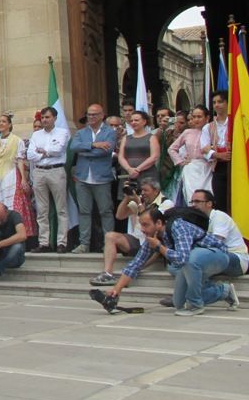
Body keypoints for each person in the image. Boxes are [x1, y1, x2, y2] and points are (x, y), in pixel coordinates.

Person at [107, 206, 238, 315]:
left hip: (218, 255)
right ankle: (225, 292)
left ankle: (196, 306)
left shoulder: (178, 227)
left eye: (146, 225)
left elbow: (182, 258)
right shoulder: (153, 236)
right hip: (193, 262)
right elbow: (136, 263)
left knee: (190, 259)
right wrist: (116, 290)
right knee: (178, 302)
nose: (142, 229)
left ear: (158, 223)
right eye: (141, 225)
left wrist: (159, 247)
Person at [89, 178, 173, 286]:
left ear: (156, 190)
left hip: (153, 243)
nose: (143, 193)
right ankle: (107, 273)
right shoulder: (141, 201)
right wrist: (127, 198)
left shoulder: (167, 203)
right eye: (141, 190)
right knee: (110, 236)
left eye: (146, 190)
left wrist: (138, 202)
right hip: (137, 240)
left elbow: (150, 221)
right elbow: (119, 215)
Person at [69, 103, 117, 253]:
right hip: (83, 178)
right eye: (89, 114)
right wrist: (94, 144)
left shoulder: (110, 132)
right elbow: (74, 147)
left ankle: (108, 243)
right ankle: (84, 244)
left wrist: (86, 150)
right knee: (84, 211)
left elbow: (105, 152)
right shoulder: (81, 132)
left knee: (105, 211)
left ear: (102, 115)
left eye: (94, 114)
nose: (91, 117)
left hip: (101, 178)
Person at [0, 114, 36, 240]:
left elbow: (20, 160)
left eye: (3, 121)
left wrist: (23, 178)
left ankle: (14, 233)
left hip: (11, 174)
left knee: (11, 204)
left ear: (9, 124)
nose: (0, 124)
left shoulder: (17, 140)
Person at [26, 106, 70, 253]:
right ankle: (44, 242)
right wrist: (45, 153)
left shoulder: (63, 132)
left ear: (55, 118)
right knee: (42, 209)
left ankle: (61, 242)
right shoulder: (36, 135)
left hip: (56, 170)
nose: (44, 120)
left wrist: (43, 151)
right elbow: (30, 155)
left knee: (61, 209)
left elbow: (59, 150)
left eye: (47, 117)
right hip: (39, 172)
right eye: (43, 118)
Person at [168, 105, 214, 202]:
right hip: (191, 168)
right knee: (192, 197)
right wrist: (180, 161)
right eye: (194, 117)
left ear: (207, 118)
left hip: (207, 168)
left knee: (208, 196)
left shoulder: (212, 131)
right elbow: (172, 149)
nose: (196, 120)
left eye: (199, 117)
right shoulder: (187, 132)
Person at [202, 92, 231, 213]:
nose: (216, 105)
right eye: (214, 102)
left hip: (236, 166)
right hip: (218, 166)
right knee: (220, 200)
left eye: (220, 102)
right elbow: (204, 149)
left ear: (227, 103)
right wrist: (218, 155)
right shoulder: (208, 127)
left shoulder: (236, 123)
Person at [118, 110, 160, 185]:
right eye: (131, 121)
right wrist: (129, 169)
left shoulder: (152, 137)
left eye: (136, 120)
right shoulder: (126, 138)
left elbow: (154, 157)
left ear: (144, 122)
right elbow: (121, 156)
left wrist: (138, 169)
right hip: (128, 174)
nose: (133, 122)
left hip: (147, 174)